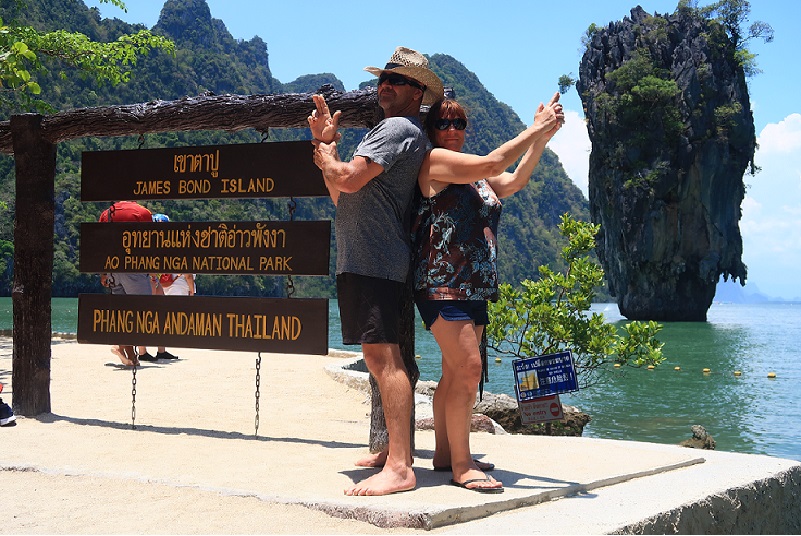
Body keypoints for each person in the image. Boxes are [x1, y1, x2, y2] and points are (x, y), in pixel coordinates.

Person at [308, 46, 443, 496]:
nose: (386, 85)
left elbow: (343, 178)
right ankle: (393, 452)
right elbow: (343, 196)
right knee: (382, 358)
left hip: (374, 259)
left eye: (397, 80)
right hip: (365, 257)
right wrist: (327, 147)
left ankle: (402, 467)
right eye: (384, 78)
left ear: (417, 92)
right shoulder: (400, 130)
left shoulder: (397, 127)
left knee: (384, 360)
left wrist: (328, 156)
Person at [411, 95, 564, 493]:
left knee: (452, 374)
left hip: (475, 287)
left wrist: (541, 139)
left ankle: (446, 454)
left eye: (459, 124)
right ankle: (463, 466)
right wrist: (536, 128)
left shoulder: (474, 175)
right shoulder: (434, 164)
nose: (452, 131)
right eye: (443, 124)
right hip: (442, 285)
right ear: (431, 131)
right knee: (468, 370)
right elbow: (496, 163)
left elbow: (512, 180)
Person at [99, 201, 153, 366]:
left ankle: (129, 354)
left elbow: (100, 245)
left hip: (112, 268)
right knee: (141, 312)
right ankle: (123, 348)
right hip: (134, 267)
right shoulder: (142, 213)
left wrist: (103, 272)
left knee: (121, 314)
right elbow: (151, 242)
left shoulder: (106, 214)